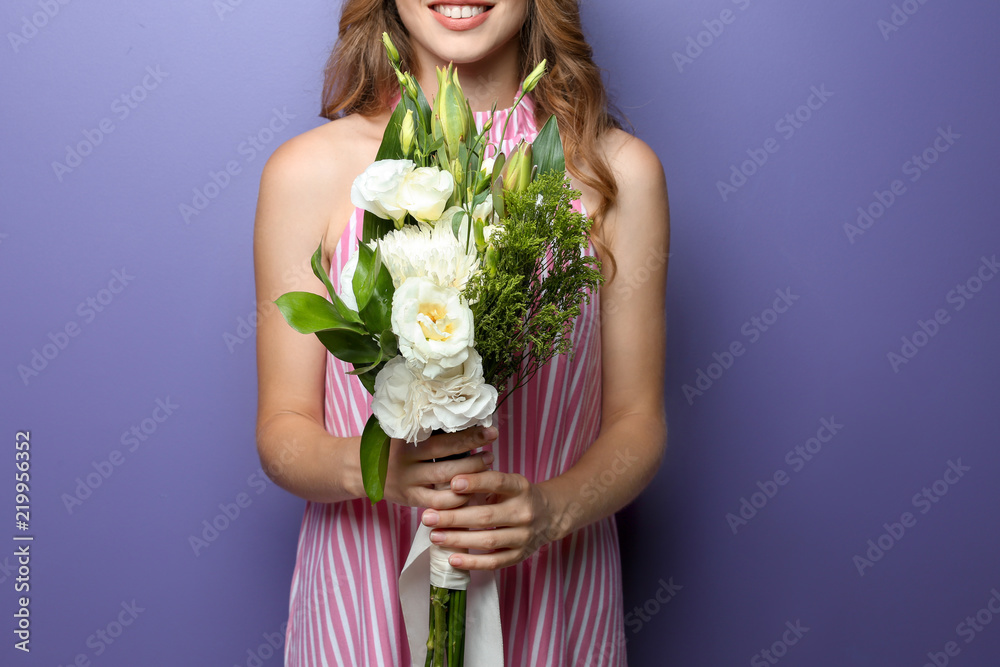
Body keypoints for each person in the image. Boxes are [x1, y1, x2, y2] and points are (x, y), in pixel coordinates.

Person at [253, 0, 669, 664]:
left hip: (549, 585)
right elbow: (281, 431)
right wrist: (375, 471)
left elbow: (638, 420)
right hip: (365, 587)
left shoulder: (616, 174)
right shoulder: (307, 172)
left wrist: (551, 510)